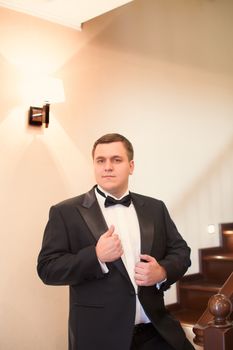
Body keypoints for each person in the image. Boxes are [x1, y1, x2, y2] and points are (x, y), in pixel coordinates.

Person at [37, 133, 195, 350]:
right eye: (100, 161)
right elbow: (47, 269)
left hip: (156, 332)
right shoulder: (65, 212)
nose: (107, 167)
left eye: (116, 160)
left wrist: (163, 272)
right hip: (99, 337)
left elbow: (181, 252)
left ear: (131, 166)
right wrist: (96, 256)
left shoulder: (155, 208)